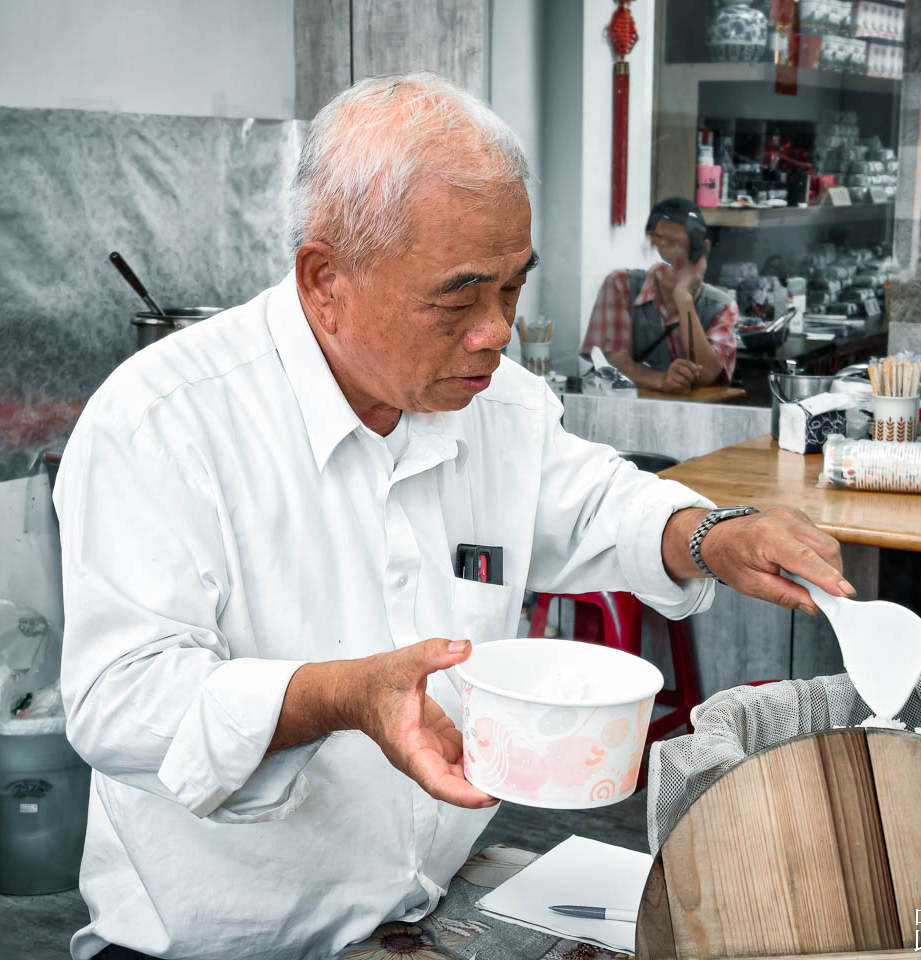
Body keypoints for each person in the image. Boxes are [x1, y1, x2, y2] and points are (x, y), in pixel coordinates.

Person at [53, 74, 850, 960]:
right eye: (459, 296)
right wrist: (337, 697)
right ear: (326, 281)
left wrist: (709, 534)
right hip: (228, 939)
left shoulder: (496, 402)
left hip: (429, 906)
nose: (497, 330)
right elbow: (118, 702)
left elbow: (592, 498)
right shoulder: (164, 421)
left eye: (512, 288)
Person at [580, 197, 740, 394]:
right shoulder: (621, 285)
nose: (670, 254)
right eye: (660, 241)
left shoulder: (721, 306)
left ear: (701, 249)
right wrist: (663, 379)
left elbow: (710, 377)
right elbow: (610, 364)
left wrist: (683, 299)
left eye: (677, 243)